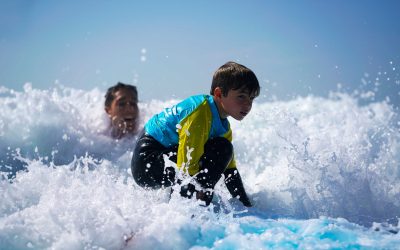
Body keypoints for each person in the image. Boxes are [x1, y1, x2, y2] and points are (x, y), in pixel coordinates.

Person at [131, 62, 260, 206]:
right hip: (148, 161)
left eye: (251, 98)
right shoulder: (200, 113)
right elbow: (186, 164)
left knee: (223, 149)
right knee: (219, 149)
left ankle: (191, 204)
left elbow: (230, 171)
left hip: (167, 155)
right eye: (241, 96)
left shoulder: (223, 127)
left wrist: (247, 205)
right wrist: (196, 195)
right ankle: (185, 209)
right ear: (218, 94)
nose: (248, 105)